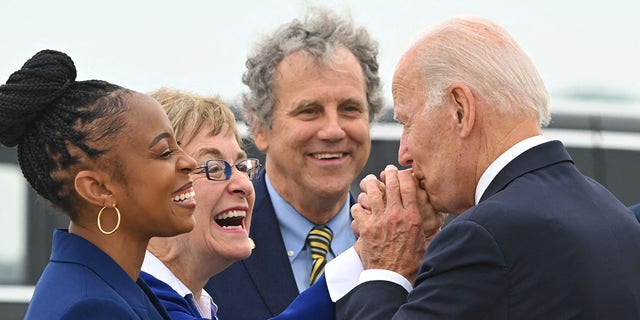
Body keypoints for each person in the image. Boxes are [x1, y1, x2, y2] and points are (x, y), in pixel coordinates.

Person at [332, 16, 640, 319]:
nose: (404, 154)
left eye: (407, 122)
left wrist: (386, 267)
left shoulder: (484, 237)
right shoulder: (615, 216)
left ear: (460, 110)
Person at [205, 8, 383, 320]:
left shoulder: (401, 250)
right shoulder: (207, 248)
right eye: (309, 110)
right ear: (260, 127)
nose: (333, 130)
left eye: (350, 108)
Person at [0, 50, 198, 319]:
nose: (189, 162)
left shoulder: (111, 281)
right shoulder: (92, 308)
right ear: (98, 189)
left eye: (179, 146)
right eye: (164, 152)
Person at [139, 88, 336, 320]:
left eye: (242, 167)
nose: (244, 185)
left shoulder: (191, 302)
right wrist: (360, 262)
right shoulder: (129, 303)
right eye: (214, 168)